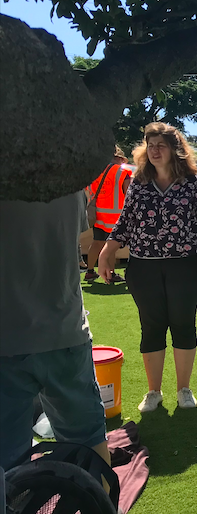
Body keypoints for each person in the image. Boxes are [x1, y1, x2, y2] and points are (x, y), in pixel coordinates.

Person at [99, 122, 197, 412]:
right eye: (150, 144)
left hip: (186, 267)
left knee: (183, 325)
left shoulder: (194, 185)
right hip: (144, 269)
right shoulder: (139, 184)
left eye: (160, 145)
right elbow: (125, 222)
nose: (154, 150)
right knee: (151, 327)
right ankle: (153, 392)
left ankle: (184, 390)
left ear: (175, 150)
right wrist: (106, 251)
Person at [1, 191, 111, 470]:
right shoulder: (68, 184)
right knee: (87, 442)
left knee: (8, 457)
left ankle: (15, 511)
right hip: (64, 331)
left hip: (9, 339)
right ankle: (103, 510)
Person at [84, 145, 133, 283]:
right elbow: (129, 193)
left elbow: (87, 189)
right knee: (111, 245)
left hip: (97, 214)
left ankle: (90, 271)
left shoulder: (94, 171)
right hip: (116, 215)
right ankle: (111, 273)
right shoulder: (123, 172)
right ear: (116, 157)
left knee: (97, 242)